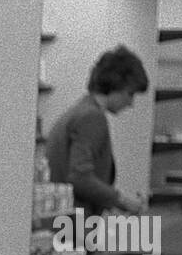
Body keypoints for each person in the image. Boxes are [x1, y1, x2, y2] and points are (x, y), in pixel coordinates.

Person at [46, 45, 150, 217]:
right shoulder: (92, 118)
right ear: (116, 85)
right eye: (130, 94)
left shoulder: (79, 110)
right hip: (75, 225)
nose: (131, 103)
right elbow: (79, 177)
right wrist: (122, 200)